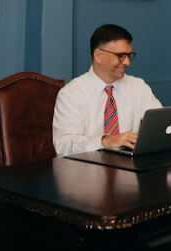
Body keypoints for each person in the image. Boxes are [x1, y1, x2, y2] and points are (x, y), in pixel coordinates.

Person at [52, 24, 161, 156]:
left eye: (129, 55)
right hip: (86, 171)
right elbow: (64, 145)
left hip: (131, 170)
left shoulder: (138, 87)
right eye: (120, 56)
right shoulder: (71, 94)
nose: (127, 62)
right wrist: (106, 141)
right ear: (98, 55)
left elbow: (159, 124)